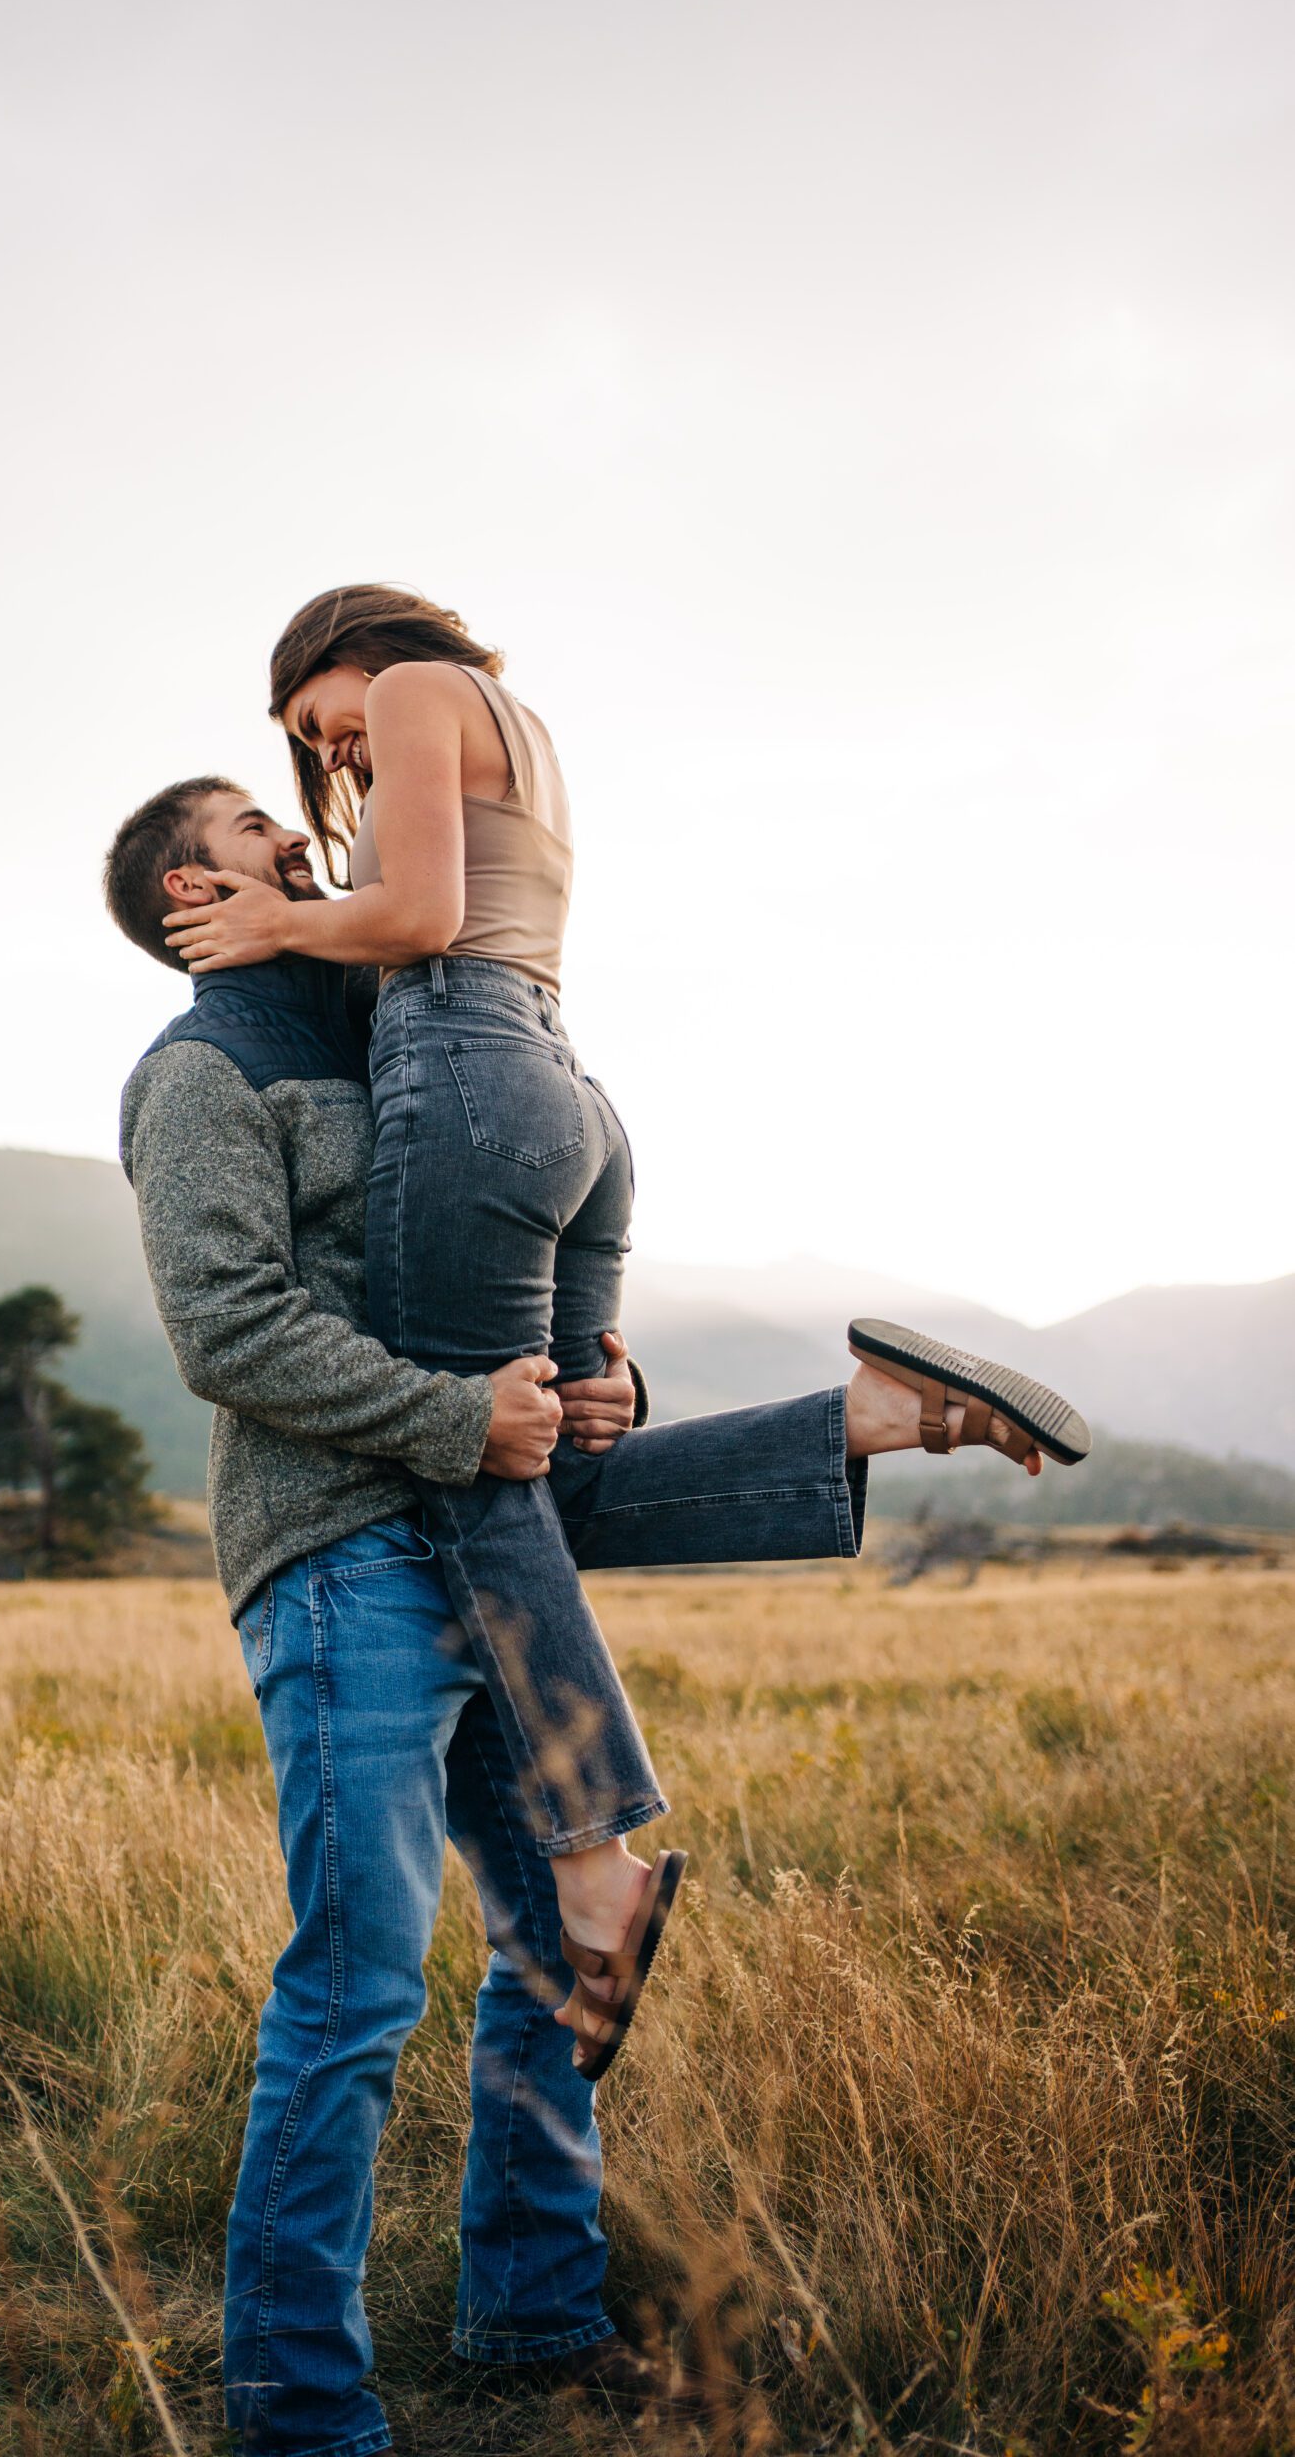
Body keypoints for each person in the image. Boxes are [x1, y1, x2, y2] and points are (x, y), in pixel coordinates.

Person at [107, 772, 1092, 2457]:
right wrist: (450, 1419)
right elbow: (228, 1329)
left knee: (547, 1951)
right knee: (352, 1989)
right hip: (341, 1557)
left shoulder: (396, 1036)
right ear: (192, 899)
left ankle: (532, 2313)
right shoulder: (199, 1075)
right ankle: (295, 2407)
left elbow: (512, 1247)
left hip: (485, 1532)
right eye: (254, 830)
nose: (297, 832)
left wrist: (600, 1368)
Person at [159, 586, 1089, 2073]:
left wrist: (278, 912)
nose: (334, 756)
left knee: (472, 1465)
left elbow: (421, 920)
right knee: (550, 1460)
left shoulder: (410, 684)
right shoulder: (519, 726)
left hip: (462, 1074)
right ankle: (866, 1419)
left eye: (319, 723)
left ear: (344, 647)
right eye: (318, 751)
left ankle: (593, 1858)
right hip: (566, 1092)